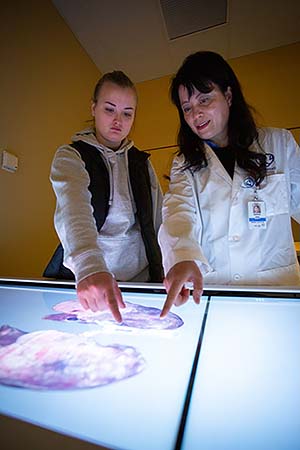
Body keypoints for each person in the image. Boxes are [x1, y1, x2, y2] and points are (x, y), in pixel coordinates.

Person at [158, 51, 300, 317]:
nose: (195, 113)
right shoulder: (184, 163)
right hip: (214, 293)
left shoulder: (279, 144)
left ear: (229, 96)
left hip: (276, 290)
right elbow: (179, 210)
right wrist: (183, 256)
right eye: (187, 108)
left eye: (205, 99)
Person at [44, 71, 163, 322]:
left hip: (141, 284)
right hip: (90, 282)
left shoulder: (142, 164)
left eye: (127, 113)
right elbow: (75, 211)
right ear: (94, 108)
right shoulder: (70, 156)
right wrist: (90, 267)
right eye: (110, 109)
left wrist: (167, 268)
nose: (118, 120)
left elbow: (157, 221)